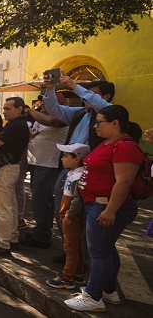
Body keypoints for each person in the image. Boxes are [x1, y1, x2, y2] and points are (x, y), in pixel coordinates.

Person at [64, 105, 143, 312]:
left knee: (98, 253)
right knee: (106, 250)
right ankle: (108, 291)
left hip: (105, 206)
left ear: (115, 124)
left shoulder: (126, 147)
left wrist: (110, 210)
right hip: (95, 205)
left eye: (100, 122)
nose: (96, 126)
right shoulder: (109, 143)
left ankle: (93, 295)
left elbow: (123, 183)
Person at [43, 74, 113, 252]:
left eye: (92, 94)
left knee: (82, 213)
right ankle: (70, 251)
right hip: (69, 169)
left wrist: (72, 85)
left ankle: (81, 258)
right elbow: (53, 109)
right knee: (63, 209)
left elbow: (100, 106)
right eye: (86, 94)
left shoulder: (110, 112)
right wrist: (50, 88)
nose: (85, 97)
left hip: (91, 172)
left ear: (106, 97)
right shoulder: (80, 113)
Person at [0, 97, 30, 257]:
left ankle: (2, 243)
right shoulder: (18, 125)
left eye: (8, 109)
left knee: (2, 208)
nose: (4, 112)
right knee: (11, 205)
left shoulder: (15, 126)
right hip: (11, 168)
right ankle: (12, 238)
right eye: (4, 108)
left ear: (20, 109)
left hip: (6, 169)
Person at [20, 107, 69, 248]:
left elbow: (47, 121)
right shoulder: (40, 118)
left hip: (48, 164)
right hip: (37, 163)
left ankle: (43, 235)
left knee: (42, 200)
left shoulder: (62, 117)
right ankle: (41, 229)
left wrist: (29, 111)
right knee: (39, 199)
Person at [46, 143, 89, 289]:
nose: (62, 159)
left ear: (76, 159)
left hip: (72, 216)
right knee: (76, 246)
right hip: (69, 215)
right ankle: (78, 274)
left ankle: (67, 277)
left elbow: (77, 199)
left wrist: (69, 215)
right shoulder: (73, 173)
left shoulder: (78, 175)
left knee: (70, 247)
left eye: (65, 156)